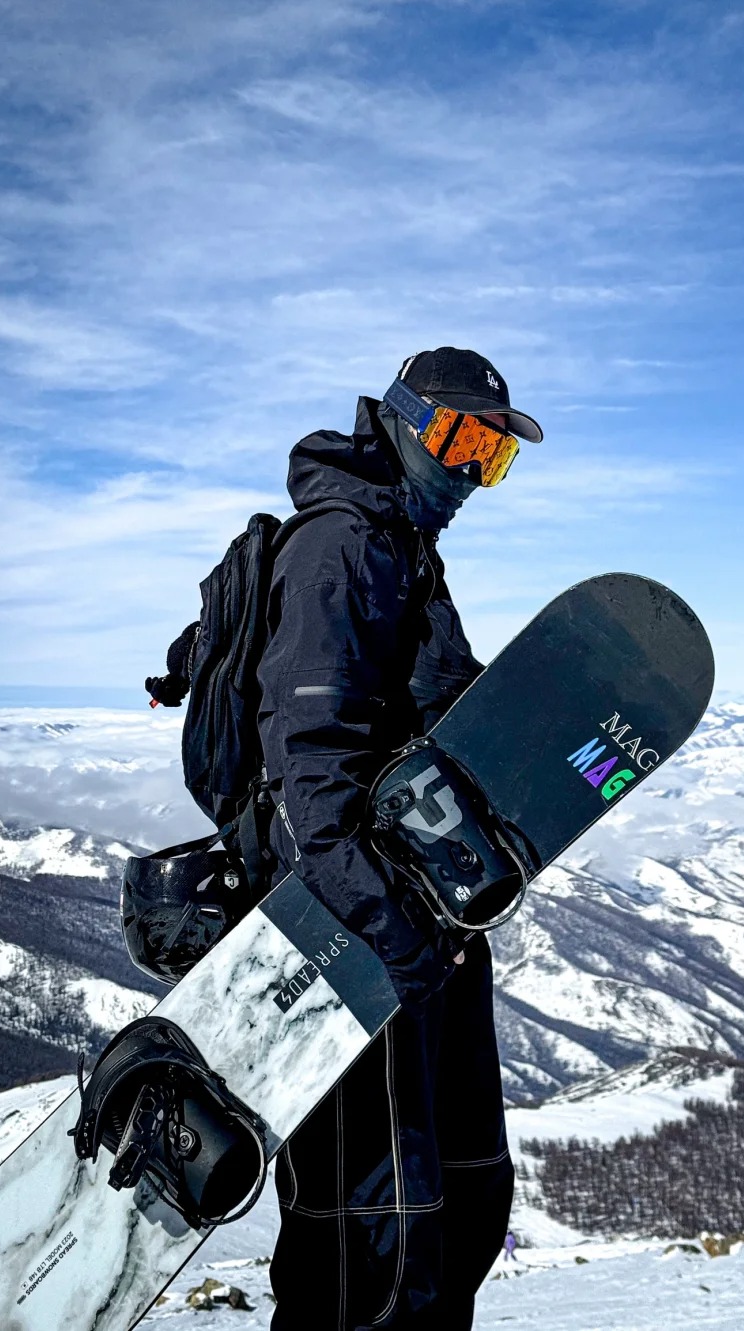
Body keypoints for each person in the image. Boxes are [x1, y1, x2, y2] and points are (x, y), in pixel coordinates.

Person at [256, 347, 543, 1330]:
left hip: (411, 921)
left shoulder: (406, 549)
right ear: (410, 423)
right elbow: (309, 764)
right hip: (346, 933)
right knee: (369, 1239)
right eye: (464, 442)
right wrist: (384, 925)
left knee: (458, 1198)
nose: (472, 474)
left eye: (494, 458)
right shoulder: (337, 550)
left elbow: (440, 709)